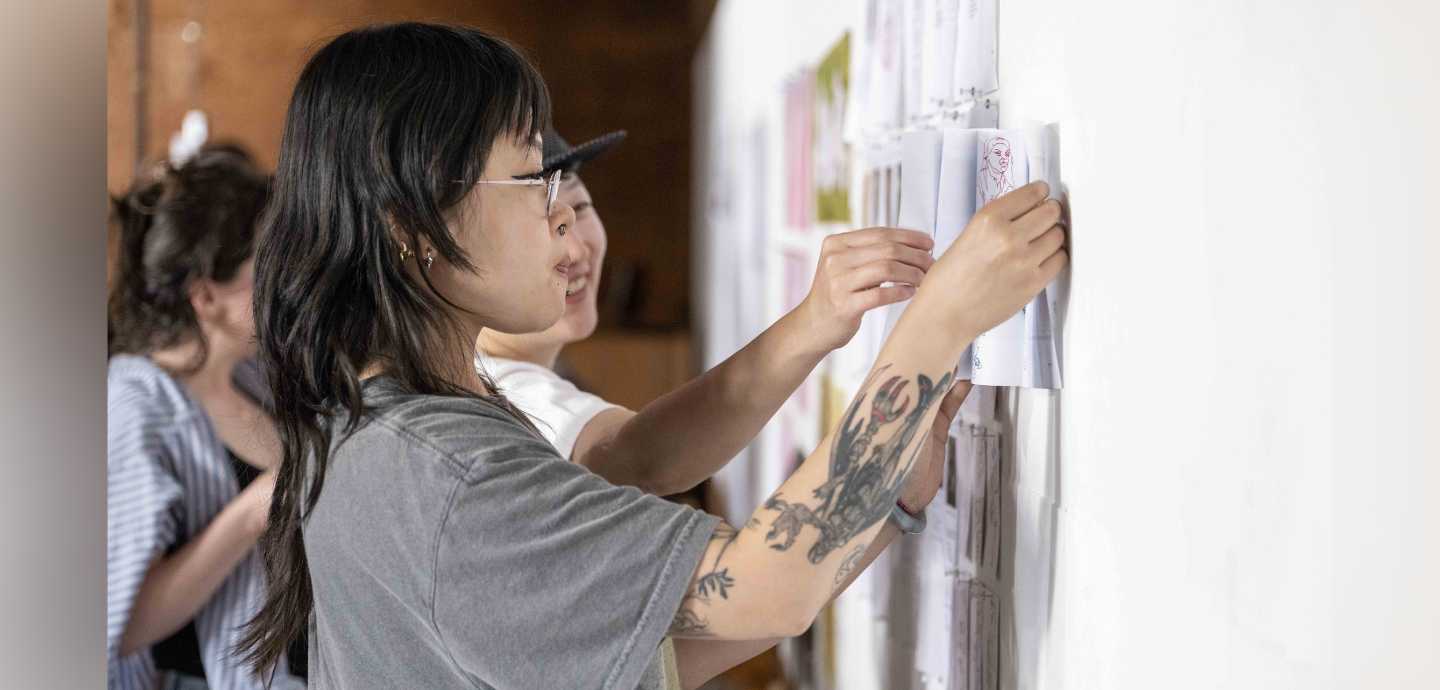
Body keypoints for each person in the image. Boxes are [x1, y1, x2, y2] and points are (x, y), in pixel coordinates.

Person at [241, 22, 1064, 690]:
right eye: (532, 180)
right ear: (412, 228)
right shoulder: (445, 472)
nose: (565, 220)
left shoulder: (394, 425)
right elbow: (757, 588)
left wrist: (886, 500)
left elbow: (651, 650)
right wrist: (938, 322)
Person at [477, 126, 938, 499]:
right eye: (546, 226)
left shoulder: (518, 372)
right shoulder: (512, 400)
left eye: (579, 208)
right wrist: (815, 322)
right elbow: (642, 459)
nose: (575, 248)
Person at [107, 146, 304, 689]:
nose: (285, 285)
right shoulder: (134, 407)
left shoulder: (258, 378)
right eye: (266, 268)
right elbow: (123, 625)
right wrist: (252, 512)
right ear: (206, 296)